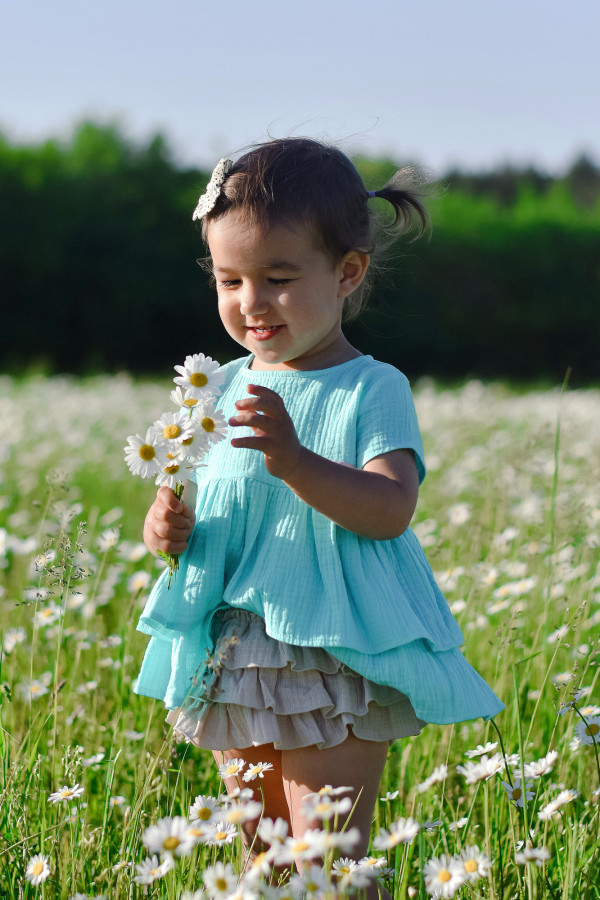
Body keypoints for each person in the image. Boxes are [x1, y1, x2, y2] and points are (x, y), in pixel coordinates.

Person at [134, 137, 503, 892]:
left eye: (277, 277)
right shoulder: (218, 386)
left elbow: (390, 508)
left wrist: (299, 462)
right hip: (236, 653)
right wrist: (168, 531)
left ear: (347, 273)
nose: (250, 302)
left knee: (328, 858)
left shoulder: (372, 388)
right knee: (263, 864)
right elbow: (219, 517)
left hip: (333, 654)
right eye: (230, 279)